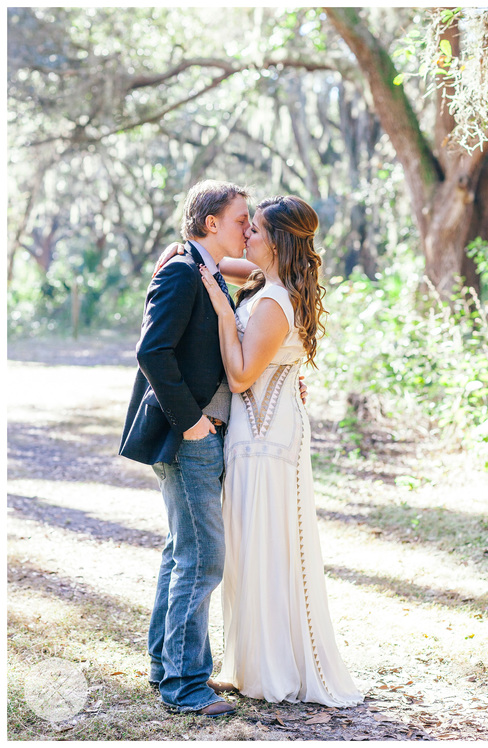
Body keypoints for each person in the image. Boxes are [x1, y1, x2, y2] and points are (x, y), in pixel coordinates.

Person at [192, 195, 363, 708]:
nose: (248, 235)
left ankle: (269, 669)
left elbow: (243, 373)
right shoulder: (266, 282)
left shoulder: (271, 301)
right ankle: (250, 662)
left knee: (263, 544)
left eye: (257, 230)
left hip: (264, 435)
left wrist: (225, 313)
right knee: (251, 544)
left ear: (279, 242)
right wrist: (180, 252)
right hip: (263, 426)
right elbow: (214, 258)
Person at [119, 180, 250, 717]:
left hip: (198, 432)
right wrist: (193, 423)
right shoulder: (180, 270)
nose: (249, 226)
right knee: (201, 557)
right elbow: (152, 351)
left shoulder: (206, 269)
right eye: (242, 218)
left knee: (182, 552)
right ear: (211, 222)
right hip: (187, 435)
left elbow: (262, 273)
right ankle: (185, 686)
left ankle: (164, 664)